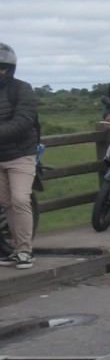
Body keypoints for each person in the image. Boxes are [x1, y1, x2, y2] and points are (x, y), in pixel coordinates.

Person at [0, 42, 38, 269]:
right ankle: (17, 249)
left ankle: (25, 252)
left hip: (20, 155)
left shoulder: (22, 88)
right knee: (6, 204)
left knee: (20, 200)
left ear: (10, 68)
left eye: (2, 67)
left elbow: (24, 121)